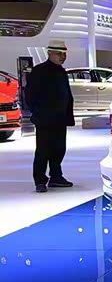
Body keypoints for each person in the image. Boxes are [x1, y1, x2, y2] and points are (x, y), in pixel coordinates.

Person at [26, 39, 75, 193]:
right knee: (43, 150)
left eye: (64, 54)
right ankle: (40, 180)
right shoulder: (39, 71)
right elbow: (30, 94)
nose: (62, 57)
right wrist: (38, 112)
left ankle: (56, 176)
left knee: (59, 149)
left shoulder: (61, 71)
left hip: (60, 118)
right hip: (45, 119)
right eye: (59, 54)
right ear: (49, 53)